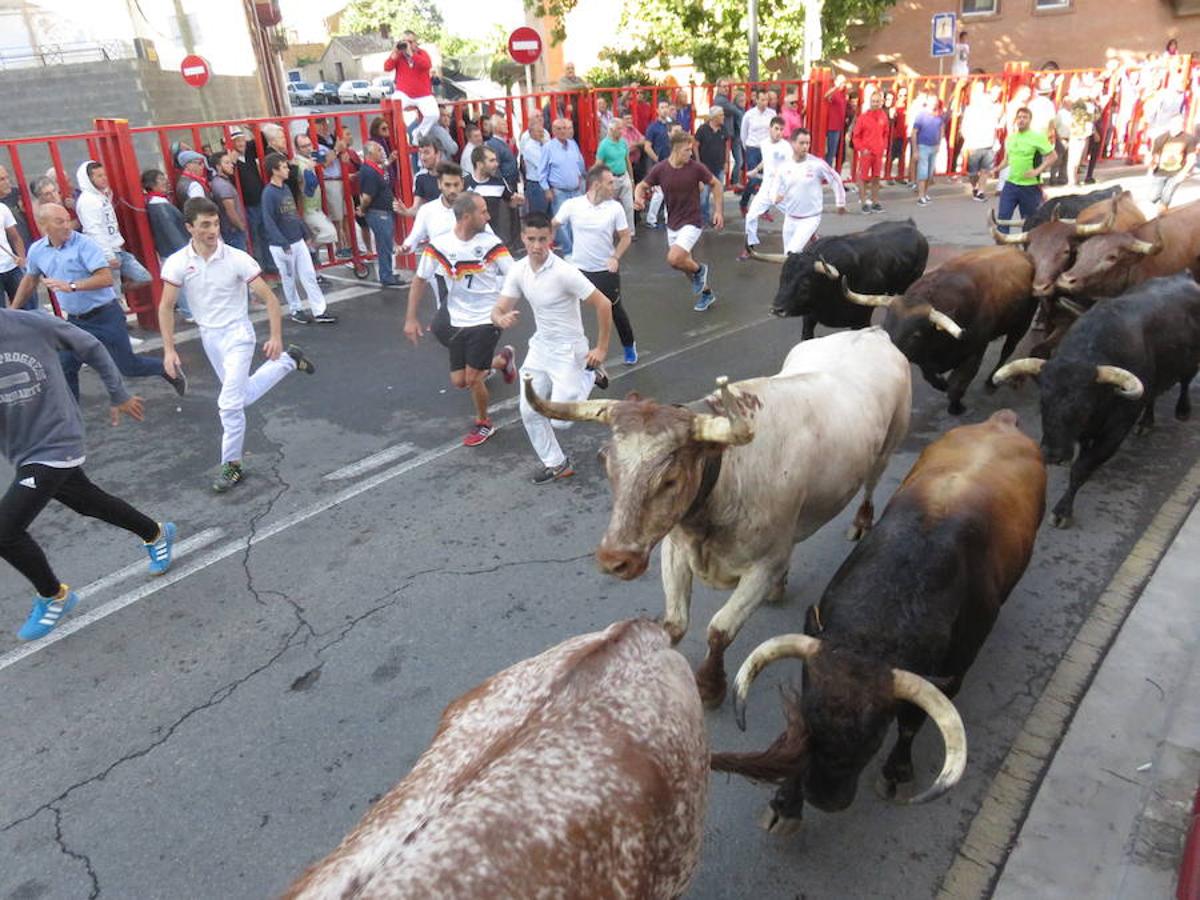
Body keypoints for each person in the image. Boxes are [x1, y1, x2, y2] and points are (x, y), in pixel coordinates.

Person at [0, 306, 177, 641]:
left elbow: (91, 346)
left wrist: (118, 393)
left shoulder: (31, 324)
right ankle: (155, 533)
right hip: (24, 451)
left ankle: (55, 596)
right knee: (88, 502)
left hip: (56, 440)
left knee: (4, 531)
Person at [158, 198, 315, 493]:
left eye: (215, 223)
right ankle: (289, 362)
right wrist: (169, 349)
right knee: (240, 398)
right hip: (210, 338)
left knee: (228, 405)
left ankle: (232, 466)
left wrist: (276, 337)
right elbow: (165, 307)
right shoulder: (179, 262)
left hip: (238, 336)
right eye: (205, 225)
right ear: (189, 227)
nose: (212, 230)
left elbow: (270, 298)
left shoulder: (237, 258)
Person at [9, 204, 185, 399]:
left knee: (128, 366)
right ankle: (72, 417)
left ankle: (168, 370)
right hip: (76, 321)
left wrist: (72, 286)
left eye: (68, 220)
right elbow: (30, 280)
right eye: (60, 222)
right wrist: (12, 310)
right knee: (67, 365)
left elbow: (105, 278)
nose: (67, 225)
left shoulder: (84, 244)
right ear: (43, 225)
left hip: (106, 315)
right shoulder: (37, 250)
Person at [491, 213, 613, 484]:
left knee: (561, 421)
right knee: (529, 410)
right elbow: (499, 308)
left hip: (569, 351)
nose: (536, 246)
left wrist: (601, 349)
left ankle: (590, 374)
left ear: (551, 239)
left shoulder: (564, 272)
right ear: (523, 238)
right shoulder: (519, 270)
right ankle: (557, 463)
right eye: (531, 239)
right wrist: (500, 318)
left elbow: (604, 304)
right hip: (540, 348)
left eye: (542, 239)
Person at [404, 192, 517, 447]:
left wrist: (505, 310)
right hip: (457, 318)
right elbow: (420, 279)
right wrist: (410, 318)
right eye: (483, 212)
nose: (488, 216)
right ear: (467, 216)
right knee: (459, 381)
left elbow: (515, 276)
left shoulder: (492, 243)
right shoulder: (440, 245)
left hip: (487, 318)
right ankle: (502, 361)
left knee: (472, 379)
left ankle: (484, 423)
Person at [553, 164, 636, 364]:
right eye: (609, 183)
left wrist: (615, 257)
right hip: (579, 270)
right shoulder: (573, 205)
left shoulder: (614, 208)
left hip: (605, 270)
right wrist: (543, 245)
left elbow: (625, 237)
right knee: (564, 307)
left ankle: (629, 347)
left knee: (614, 310)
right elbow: (553, 225)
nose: (613, 187)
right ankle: (565, 351)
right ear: (596, 184)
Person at [634, 130, 723, 312]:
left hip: (692, 221)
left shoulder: (696, 168)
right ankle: (707, 293)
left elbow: (716, 184)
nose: (690, 154)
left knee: (674, 259)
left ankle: (700, 270)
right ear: (675, 150)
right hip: (672, 222)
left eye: (691, 150)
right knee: (684, 266)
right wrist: (638, 199)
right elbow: (641, 186)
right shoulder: (661, 169)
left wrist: (718, 211)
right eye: (687, 150)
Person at [261, 153, 337, 325]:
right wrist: (282, 243)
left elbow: (294, 214)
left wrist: (306, 233)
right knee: (288, 278)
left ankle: (320, 310)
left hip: (296, 241)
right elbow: (269, 221)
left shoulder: (286, 189)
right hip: (283, 245)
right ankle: (296, 309)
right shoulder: (268, 194)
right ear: (274, 170)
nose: (287, 169)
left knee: (308, 274)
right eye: (284, 167)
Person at [74, 160, 152, 301]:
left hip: (117, 248)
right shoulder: (88, 201)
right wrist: (108, 255)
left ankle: (115, 293)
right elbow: (94, 230)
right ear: (89, 180)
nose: (104, 178)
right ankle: (115, 302)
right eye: (98, 176)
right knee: (114, 293)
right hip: (105, 252)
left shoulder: (100, 196)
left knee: (144, 277)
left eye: (104, 175)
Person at [772, 128, 847, 254]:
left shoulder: (817, 164)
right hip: (790, 217)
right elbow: (778, 186)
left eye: (807, 143)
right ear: (792, 143)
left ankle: (811, 240)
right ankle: (814, 249)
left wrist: (840, 203)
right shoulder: (784, 166)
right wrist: (776, 196)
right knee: (788, 254)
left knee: (792, 252)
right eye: (801, 143)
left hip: (810, 218)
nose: (805, 146)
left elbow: (835, 179)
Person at [141, 169, 193, 321]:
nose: (165, 181)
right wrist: (184, 248)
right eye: (160, 179)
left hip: (169, 249)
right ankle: (188, 310)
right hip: (174, 249)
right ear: (152, 184)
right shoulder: (159, 205)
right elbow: (171, 231)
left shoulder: (156, 202)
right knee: (181, 281)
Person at [739, 116, 791, 259]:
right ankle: (749, 248)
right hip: (766, 188)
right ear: (770, 128)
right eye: (776, 129)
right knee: (751, 216)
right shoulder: (764, 144)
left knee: (795, 214)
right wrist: (756, 170)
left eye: (781, 129)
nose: (779, 132)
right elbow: (766, 160)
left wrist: (784, 190)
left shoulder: (786, 147)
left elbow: (791, 167)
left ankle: (810, 237)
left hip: (781, 189)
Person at [997, 107, 1057, 230]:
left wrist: (1037, 171)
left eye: (1025, 117)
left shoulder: (1037, 137)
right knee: (1003, 218)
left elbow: (1053, 156)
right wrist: (993, 170)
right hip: (1011, 184)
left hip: (1030, 187)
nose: (1021, 120)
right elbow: (1006, 161)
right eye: (1019, 117)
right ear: (1015, 120)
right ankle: (1003, 248)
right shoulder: (1011, 138)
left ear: (1030, 120)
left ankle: (1028, 247)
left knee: (1030, 222)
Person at [229, 127, 275, 275]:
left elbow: (261, 142)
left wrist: (253, 128)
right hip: (247, 205)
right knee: (254, 237)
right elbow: (230, 179)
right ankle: (259, 268)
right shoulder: (231, 159)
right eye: (237, 141)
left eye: (242, 139)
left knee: (266, 233)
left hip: (260, 201)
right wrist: (232, 163)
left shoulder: (248, 151)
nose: (241, 143)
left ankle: (270, 265)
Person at [357, 141, 403, 288]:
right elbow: (367, 197)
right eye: (378, 150)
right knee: (384, 245)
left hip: (382, 212)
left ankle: (387, 273)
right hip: (378, 213)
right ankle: (386, 275)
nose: (381, 152)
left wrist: (388, 160)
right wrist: (363, 209)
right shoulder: (369, 171)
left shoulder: (373, 168)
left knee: (386, 244)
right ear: (370, 154)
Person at [542, 118, 587, 254]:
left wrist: (580, 178)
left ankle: (578, 250)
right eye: (559, 129)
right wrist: (546, 189)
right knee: (562, 223)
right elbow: (542, 172)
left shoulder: (573, 144)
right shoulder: (548, 148)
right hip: (559, 191)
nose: (563, 131)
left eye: (565, 128)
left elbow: (579, 163)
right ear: (553, 131)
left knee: (578, 220)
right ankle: (568, 251)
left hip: (576, 190)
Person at [467, 144, 523, 249]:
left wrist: (518, 200)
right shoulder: (464, 183)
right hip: (470, 240)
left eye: (496, 160)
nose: (497, 164)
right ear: (479, 164)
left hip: (493, 239)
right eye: (491, 161)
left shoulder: (500, 182)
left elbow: (511, 201)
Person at [384, 30, 438, 139]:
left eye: (410, 41)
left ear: (415, 43)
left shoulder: (422, 53)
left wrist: (412, 54)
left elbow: (426, 65)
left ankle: (418, 134)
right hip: (404, 93)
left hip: (423, 95)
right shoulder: (398, 55)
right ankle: (398, 136)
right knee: (394, 107)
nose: (406, 44)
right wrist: (394, 54)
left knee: (433, 115)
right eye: (404, 41)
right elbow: (387, 67)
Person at [291, 133, 338, 252]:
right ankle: (308, 249)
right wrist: (309, 169)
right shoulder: (299, 163)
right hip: (308, 209)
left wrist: (337, 150)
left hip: (315, 207)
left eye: (309, 145)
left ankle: (310, 254)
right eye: (303, 146)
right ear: (297, 149)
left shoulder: (310, 158)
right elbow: (302, 181)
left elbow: (326, 159)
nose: (308, 148)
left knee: (321, 234)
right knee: (330, 233)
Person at [595, 117, 636, 233]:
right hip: (611, 179)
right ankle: (609, 232)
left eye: (622, 128)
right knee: (609, 207)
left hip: (624, 176)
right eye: (619, 129)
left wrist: (632, 180)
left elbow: (627, 160)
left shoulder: (623, 142)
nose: (621, 131)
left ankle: (630, 232)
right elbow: (598, 164)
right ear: (611, 129)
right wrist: (600, 182)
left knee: (629, 206)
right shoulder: (604, 145)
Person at [1147, 114, 1196, 209]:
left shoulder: (1189, 139)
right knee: (1152, 197)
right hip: (1160, 172)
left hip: (1176, 173)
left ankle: (1161, 217)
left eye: (1180, 123)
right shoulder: (1160, 139)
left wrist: (1183, 173)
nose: (1177, 125)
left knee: (1166, 198)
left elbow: (1191, 158)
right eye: (1175, 123)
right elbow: (1155, 156)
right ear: (1170, 124)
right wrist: (1150, 169)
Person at [852, 90, 889, 214]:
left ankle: (875, 202)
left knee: (876, 177)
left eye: (877, 101)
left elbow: (885, 134)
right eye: (873, 101)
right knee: (863, 177)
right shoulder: (863, 117)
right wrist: (862, 149)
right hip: (866, 153)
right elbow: (856, 136)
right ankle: (863, 202)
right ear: (870, 102)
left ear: (881, 102)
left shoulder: (883, 116)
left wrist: (883, 147)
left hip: (878, 153)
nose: (875, 104)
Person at [960, 82, 999, 201]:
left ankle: (981, 191)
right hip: (975, 145)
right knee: (973, 172)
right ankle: (975, 187)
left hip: (989, 145)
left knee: (985, 170)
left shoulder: (992, 111)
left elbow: (995, 127)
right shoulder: (970, 110)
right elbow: (964, 128)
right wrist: (968, 142)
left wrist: (995, 143)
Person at [739, 91, 774, 214]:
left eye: (766, 100)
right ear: (756, 100)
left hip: (766, 148)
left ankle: (764, 209)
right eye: (762, 100)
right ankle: (744, 203)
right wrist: (747, 147)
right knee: (754, 179)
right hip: (752, 148)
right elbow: (743, 134)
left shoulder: (772, 114)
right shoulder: (749, 115)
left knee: (766, 179)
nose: (765, 102)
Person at [209, 151, 249, 251]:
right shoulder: (222, 185)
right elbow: (231, 212)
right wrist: (242, 228)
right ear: (218, 166)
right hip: (233, 232)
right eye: (227, 163)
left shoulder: (220, 182)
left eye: (231, 162)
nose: (231, 165)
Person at [694, 107, 727, 227]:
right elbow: (695, 145)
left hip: (719, 165)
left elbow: (726, 146)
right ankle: (703, 219)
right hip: (705, 167)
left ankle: (718, 217)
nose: (723, 117)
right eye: (721, 115)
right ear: (714, 117)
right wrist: (698, 162)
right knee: (704, 194)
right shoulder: (702, 129)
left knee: (719, 193)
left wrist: (726, 162)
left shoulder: (723, 129)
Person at [911, 99, 945, 206]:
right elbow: (914, 133)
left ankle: (925, 194)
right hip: (923, 146)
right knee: (923, 172)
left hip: (933, 147)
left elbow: (941, 130)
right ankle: (920, 196)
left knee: (929, 173)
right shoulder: (921, 116)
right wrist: (915, 150)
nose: (933, 105)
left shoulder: (939, 116)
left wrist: (939, 144)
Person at [0, 181, 27, 308]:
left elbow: (15, 237)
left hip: (12, 267)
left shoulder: (2, 208)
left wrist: (21, 259)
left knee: (26, 307)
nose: (6, 182)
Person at [520, 116, 550, 215]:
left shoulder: (543, 144)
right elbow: (544, 163)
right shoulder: (529, 147)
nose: (542, 134)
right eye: (538, 131)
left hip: (546, 184)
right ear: (530, 133)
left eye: (542, 131)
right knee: (539, 215)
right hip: (536, 185)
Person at [823, 74, 850, 166]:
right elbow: (826, 96)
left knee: (834, 152)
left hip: (839, 126)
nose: (843, 84)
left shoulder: (843, 94)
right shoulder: (834, 93)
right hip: (832, 126)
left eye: (844, 82)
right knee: (830, 152)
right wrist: (836, 87)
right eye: (841, 82)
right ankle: (827, 173)